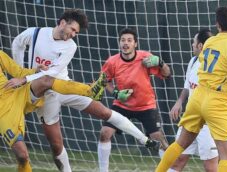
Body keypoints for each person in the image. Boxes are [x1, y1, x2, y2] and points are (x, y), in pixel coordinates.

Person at [11, 9, 158, 172]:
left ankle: (144, 140)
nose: (74, 34)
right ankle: (90, 90)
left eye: (76, 32)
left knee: (103, 112)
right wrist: (21, 72)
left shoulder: (70, 46)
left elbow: (53, 72)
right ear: (62, 23)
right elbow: (17, 42)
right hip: (44, 96)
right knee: (56, 145)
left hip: (65, 88)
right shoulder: (35, 33)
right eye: (72, 29)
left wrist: (24, 77)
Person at [156, 7, 227, 172]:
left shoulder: (209, 42)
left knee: (179, 144)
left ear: (218, 25)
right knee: (226, 158)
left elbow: (208, 68)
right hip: (217, 102)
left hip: (198, 97)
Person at [168, 29, 227, 172]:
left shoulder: (216, 64)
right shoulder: (193, 61)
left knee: (210, 166)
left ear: (200, 46)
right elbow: (188, 86)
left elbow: (221, 87)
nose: (192, 45)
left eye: (194, 42)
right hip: (192, 115)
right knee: (177, 161)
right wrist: (179, 102)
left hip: (208, 122)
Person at [97, 28, 171, 172]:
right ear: (119, 43)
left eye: (129, 40)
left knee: (159, 138)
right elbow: (104, 81)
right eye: (123, 40)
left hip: (146, 105)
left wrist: (161, 63)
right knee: (104, 133)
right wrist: (117, 94)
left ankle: (170, 170)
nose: (126, 43)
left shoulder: (145, 58)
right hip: (122, 105)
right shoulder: (112, 61)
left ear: (135, 44)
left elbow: (167, 75)